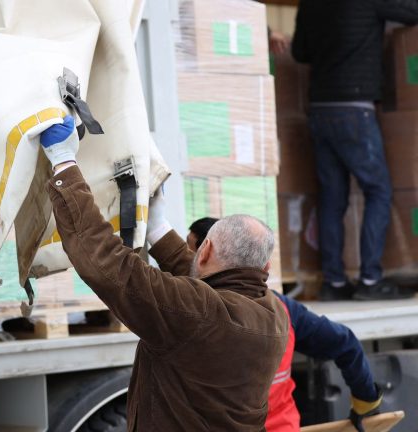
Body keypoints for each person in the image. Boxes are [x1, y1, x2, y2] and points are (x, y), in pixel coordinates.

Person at [38, 115, 289, 431]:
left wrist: (64, 164)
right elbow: (209, 289)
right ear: (264, 268)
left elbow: (110, 265)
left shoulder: (200, 314)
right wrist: (158, 228)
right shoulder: (273, 313)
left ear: (206, 250)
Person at [188, 219, 384, 432]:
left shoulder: (190, 314)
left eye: (189, 250)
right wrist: (366, 402)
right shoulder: (282, 308)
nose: (186, 259)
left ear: (205, 254)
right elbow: (345, 342)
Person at [292, 1, 418, 301]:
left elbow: (300, 52)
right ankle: (371, 279)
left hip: (320, 109)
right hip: (355, 109)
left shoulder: (310, 5)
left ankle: (333, 283)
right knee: (378, 190)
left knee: (332, 198)